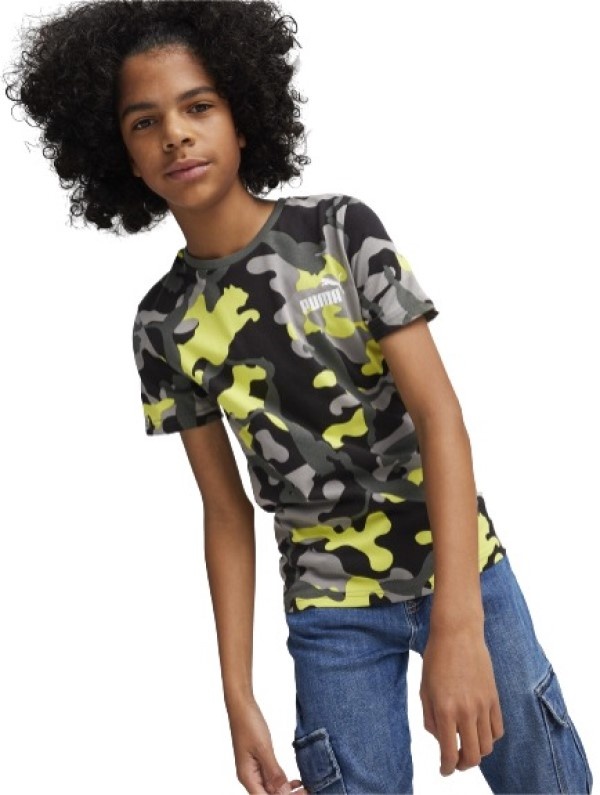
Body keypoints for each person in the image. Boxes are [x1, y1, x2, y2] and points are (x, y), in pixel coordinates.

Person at [4, 1, 593, 793]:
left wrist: (461, 620)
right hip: (328, 602)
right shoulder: (162, 324)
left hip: (459, 566)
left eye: (198, 106)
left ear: (243, 120)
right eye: (145, 122)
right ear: (122, 157)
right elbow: (224, 510)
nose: (175, 134)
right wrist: (238, 695)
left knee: (549, 779)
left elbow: (440, 417)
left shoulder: (342, 232)